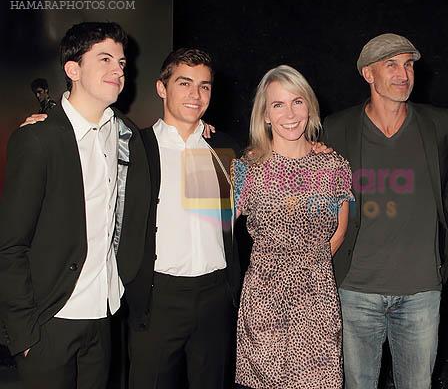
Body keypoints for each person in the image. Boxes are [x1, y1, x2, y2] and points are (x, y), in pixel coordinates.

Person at [0, 22, 150, 389]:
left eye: (121, 62)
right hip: (50, 322)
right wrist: (24, 334)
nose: (119, 69)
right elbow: (9, 245)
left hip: (105, 315)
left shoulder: (126, 134)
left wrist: (205, 126)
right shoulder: (38, 139)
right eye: (105, 59)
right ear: (73, 69)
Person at [321, 34, 448, 388]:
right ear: (368, 73)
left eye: (409, 64)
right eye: (391, 64)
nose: (403, 73)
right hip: (354, 290)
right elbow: (288, 155)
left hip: (422, 291)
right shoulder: (336, 129)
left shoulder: (440, 124)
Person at [125, 48, 241, 389]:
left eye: (204, 86)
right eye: (184, 83)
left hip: (216, 297)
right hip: (158, 297)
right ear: (162, 88)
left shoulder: (225, 148)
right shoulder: (136, 148)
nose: (195, 94)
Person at [232, 65, 353, 388]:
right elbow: (216, 231)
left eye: (297, 102)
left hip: (317, 300)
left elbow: (339, 232)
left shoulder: (333, 165)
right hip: (263, 301)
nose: (290, 113)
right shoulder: (246, 168)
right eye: (278, 104)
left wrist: (308, 266)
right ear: (266, 115)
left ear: (309, 107)